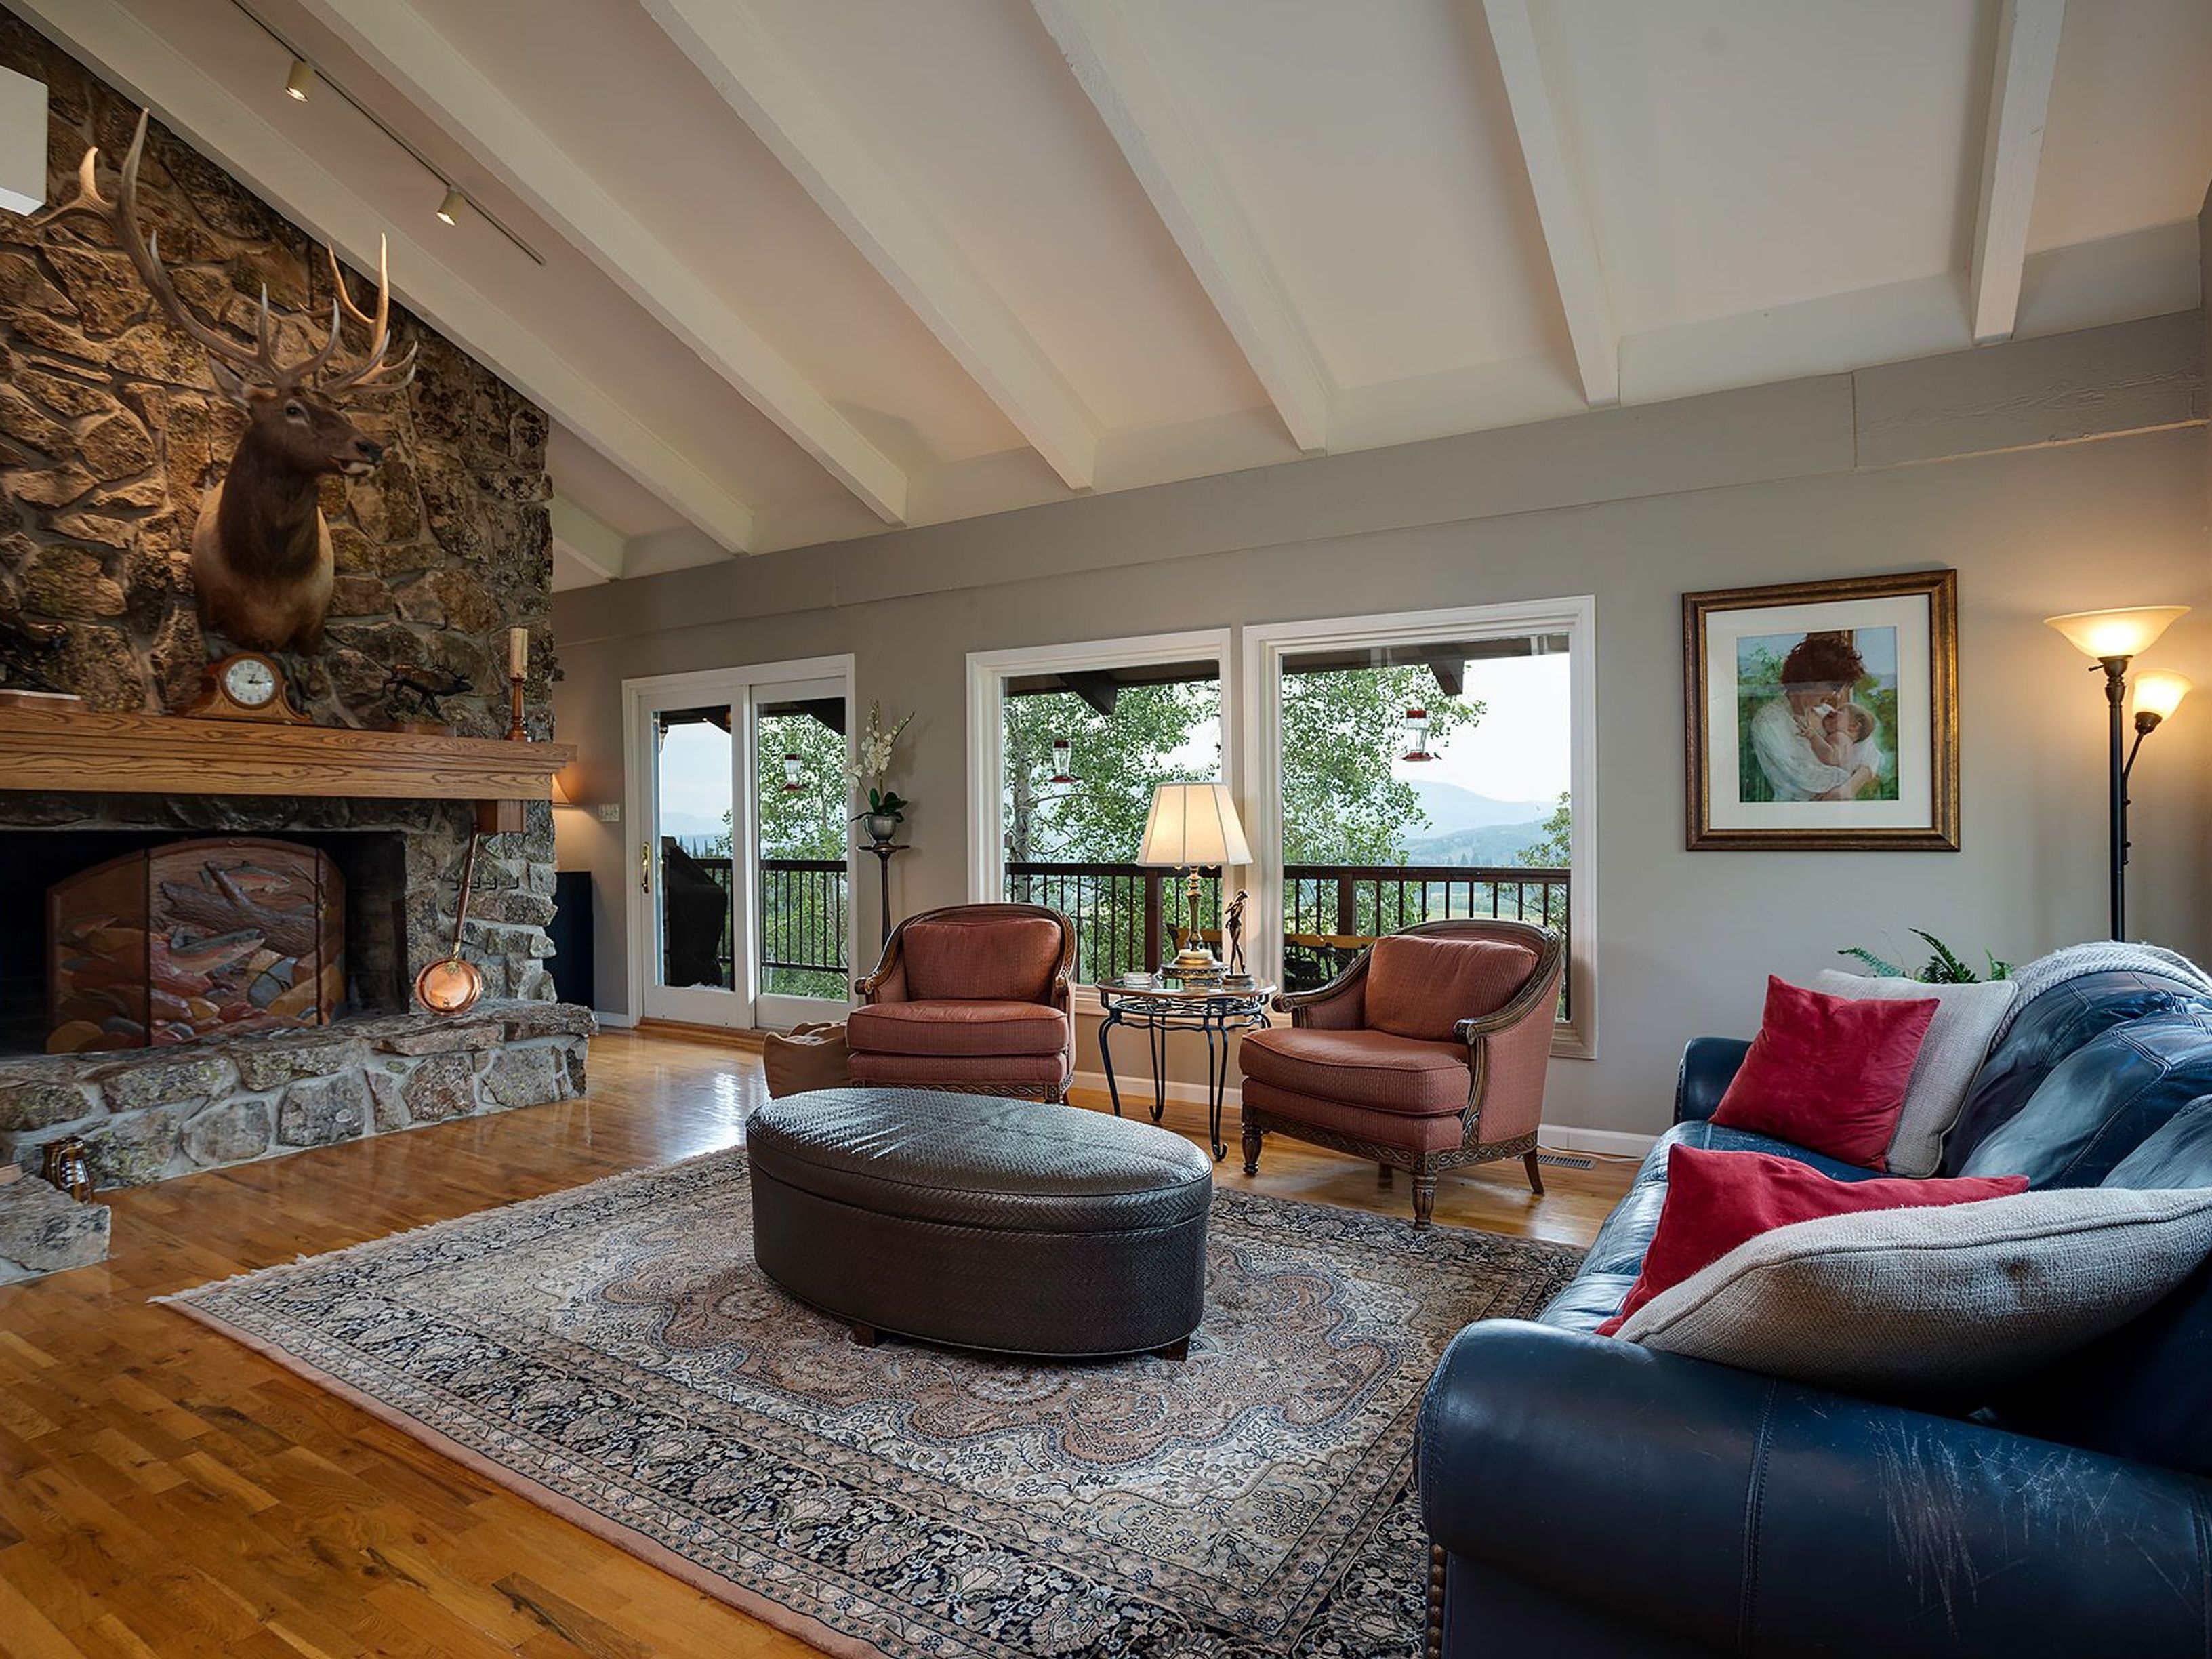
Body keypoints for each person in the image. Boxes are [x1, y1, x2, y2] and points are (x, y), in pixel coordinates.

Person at [1746, 634, 1881, 802]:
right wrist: (1850, 776)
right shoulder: (1769, 721)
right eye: (1834, 686)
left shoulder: (1827, 712)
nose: (1837, 696)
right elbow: (1802, 778)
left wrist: (1849, 788)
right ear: (1810, 680)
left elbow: (1872, 755)